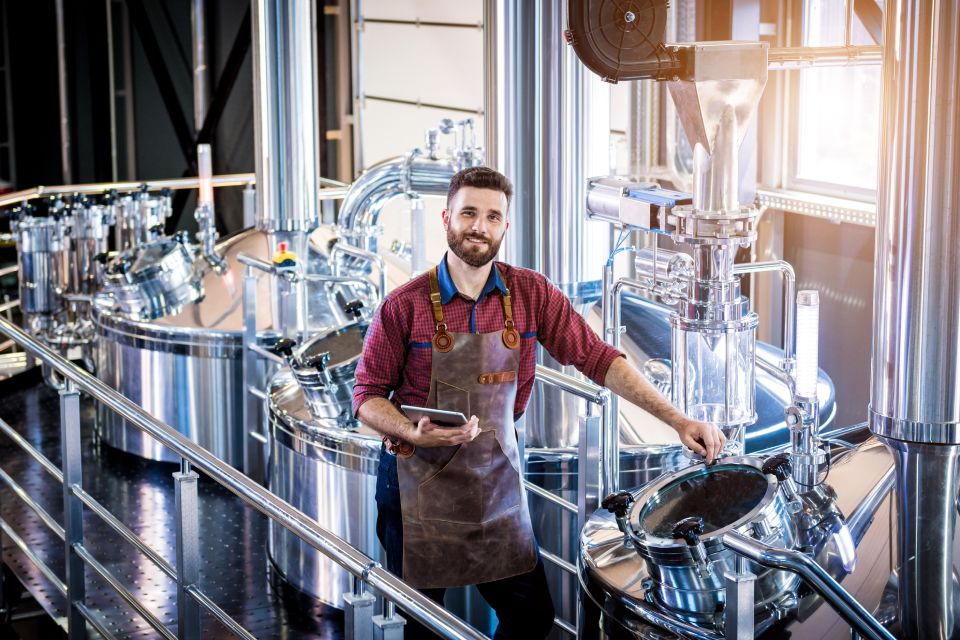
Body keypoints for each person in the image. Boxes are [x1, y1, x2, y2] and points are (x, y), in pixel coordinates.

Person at [352, 166, 726, 639]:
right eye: (468, 213)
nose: (479, 226)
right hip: (415, 489)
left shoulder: (530, 293)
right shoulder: (403, 306)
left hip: (494, 486)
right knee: (427, 627)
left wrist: (677, 419)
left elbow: (597, 357)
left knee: (531, 617)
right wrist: (410, 430)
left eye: (492, 216)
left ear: (505, 227)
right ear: (447, 217)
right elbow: (366, 398)